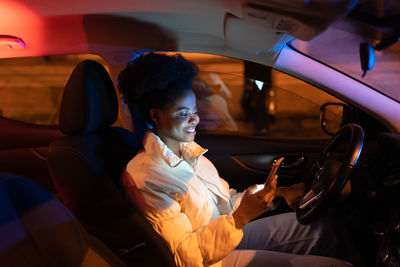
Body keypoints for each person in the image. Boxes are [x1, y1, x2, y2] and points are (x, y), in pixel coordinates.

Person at [118, 53, 351, 267]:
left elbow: (225, 202)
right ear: (155, 116)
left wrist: (276, 193)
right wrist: (240, 218)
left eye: (194, 110)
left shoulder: (188, 151)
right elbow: (184, 257)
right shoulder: (146, 177)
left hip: (226, 233)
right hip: (212, 262)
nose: (195, 119)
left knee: (323, 228)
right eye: (183, 114)